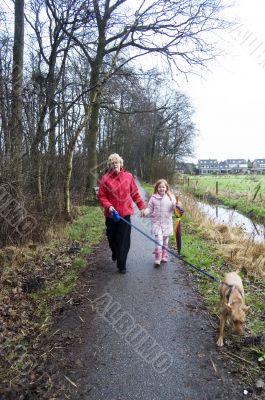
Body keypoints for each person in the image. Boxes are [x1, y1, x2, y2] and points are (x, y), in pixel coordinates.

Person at [98, 153, 146, 274]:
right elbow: (102, 196)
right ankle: (114, 251)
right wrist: (109, 206)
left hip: (125, 215)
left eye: (117, 162)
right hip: (111, 215)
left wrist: (142, 207)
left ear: (121, 163)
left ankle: (122, 263)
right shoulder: (105, 179)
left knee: (123, 240)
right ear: (109, 165)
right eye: (112, 163)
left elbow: (135, 193)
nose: (115, 165)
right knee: (111, 237)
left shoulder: (128, 177)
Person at [143, 179, 176, 266]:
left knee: (165, 241)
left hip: (167, 223)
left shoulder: (170, 197)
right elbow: (149, 208)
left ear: (166, 188)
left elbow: (174, 207)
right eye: (160, 187)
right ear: (157, 188)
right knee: (159, 241)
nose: (161, 188)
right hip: (157, 223)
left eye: (163, 187)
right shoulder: (153, 198)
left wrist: (177, 206)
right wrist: (145, 212)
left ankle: (164, 255)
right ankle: (158, 257)